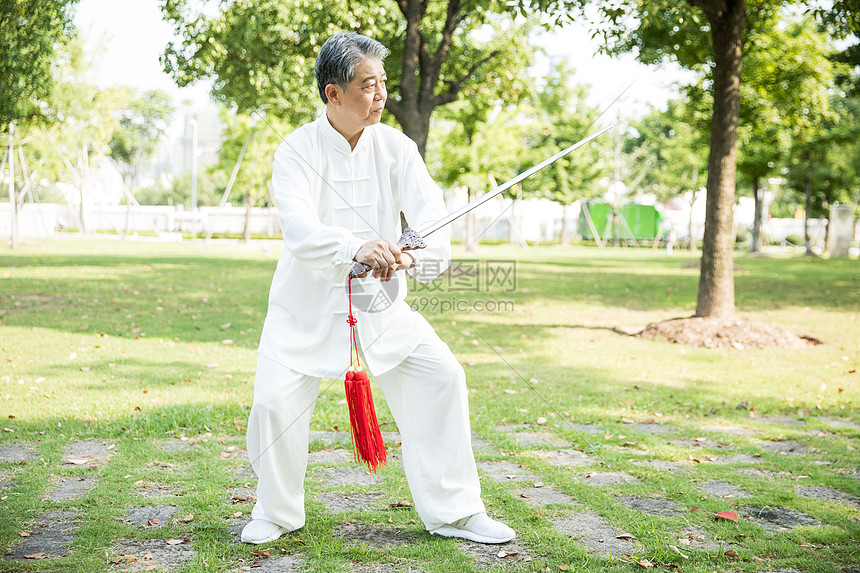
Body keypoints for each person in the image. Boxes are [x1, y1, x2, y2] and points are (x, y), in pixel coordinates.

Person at [240, 32, 515, 546]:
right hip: (303, 309)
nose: (381, 94)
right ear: (333, 94)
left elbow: (433, 220)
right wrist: (357, 247)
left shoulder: (397, 147)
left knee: (444, 378)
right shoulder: (296, 150)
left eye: (384, 83)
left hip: (381, 307)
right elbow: (299, 230)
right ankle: (275, 512)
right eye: (368, 85)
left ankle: (456, 512)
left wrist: (408, 255)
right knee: (274, 405)